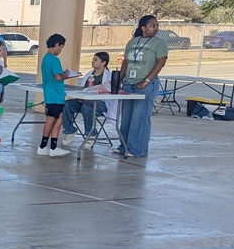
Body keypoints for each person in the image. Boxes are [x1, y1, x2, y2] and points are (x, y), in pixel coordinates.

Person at [115, 15, 168, 157]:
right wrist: (120, 78)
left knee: (140, 117)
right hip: (129, 83)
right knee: (126, 117)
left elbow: (161, 62)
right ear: (143, 28)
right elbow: (126, 62)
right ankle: (124, 146)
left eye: (157, 25)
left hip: (145, 85)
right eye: (152, 25)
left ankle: (137, 149)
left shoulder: (159, 43)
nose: (155, 28)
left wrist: (147, 80)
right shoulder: (132, 42)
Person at [37, 34, 79, 157]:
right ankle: (43, 145)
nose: (60, 50)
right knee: (51, 120)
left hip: (50, 93)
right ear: (56, 45)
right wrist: (66, 74)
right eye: (61, 47)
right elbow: (58, 77)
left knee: (59, 119)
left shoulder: (45, 58)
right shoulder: (55, 60)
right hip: (55, 94)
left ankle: (53, 146)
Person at [61, 52, 114, 150]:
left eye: (96, 60)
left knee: (87, 107)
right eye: (93, 59)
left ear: (103, 63)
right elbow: (83, 89)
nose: (92, 62)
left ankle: (91, 133)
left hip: (100, 103)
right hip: (83, 100)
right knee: (66, 104)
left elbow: (109, 93)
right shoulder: (89, 74)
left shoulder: (109, 76)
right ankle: (69, 130)